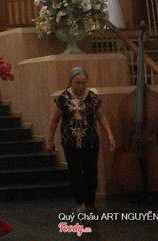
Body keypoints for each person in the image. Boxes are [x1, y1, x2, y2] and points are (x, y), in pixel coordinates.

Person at [45, 66, 115, 214]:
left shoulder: (92, 97)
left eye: (83, 83)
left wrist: (109, 134)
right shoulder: (63, 98)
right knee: (75, 171)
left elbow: (101, 116)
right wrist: (50, 140)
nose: (80, 86)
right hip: (70, 141)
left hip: (90, 140)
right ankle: (80, 203)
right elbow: (54, 120)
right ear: (71, 81)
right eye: (77, 82)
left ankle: (90, 202)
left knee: (91, 171)